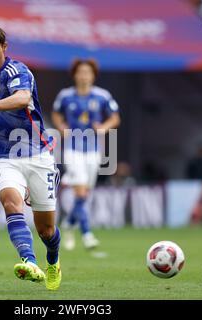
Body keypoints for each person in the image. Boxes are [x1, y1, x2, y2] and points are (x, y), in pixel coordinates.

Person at [0, 25, 61, 290]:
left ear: (4, 48)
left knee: (47, 231)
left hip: (38, 155)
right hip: (6, 156)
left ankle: (53, 261)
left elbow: (21, 98)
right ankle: (29, 262)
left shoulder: (18, 71)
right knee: (10, 202)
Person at [52, 58, 120, 250]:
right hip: (72, 150)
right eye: (80, 72)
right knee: (80, 191)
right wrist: (61, 126)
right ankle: (87, 234)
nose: (84, 76)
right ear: (75, 75)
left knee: (83, 195)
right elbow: (56, 114)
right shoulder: (65, 96)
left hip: (94, 150)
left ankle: (67, 224)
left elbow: (115, 118)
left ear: (93, 75)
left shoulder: (102, 96)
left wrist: (104, 127)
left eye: (87, 72)